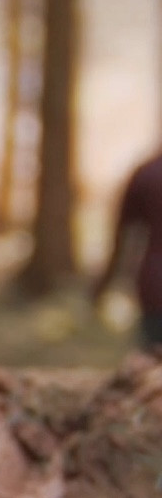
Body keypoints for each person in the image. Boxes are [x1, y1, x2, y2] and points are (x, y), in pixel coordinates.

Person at [96, 149, 162, 351]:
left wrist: (102, 285)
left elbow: (121, 236)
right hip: (155, 289)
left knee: (153, 367)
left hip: (155, 285)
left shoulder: (147, 172)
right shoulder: (147, 173)